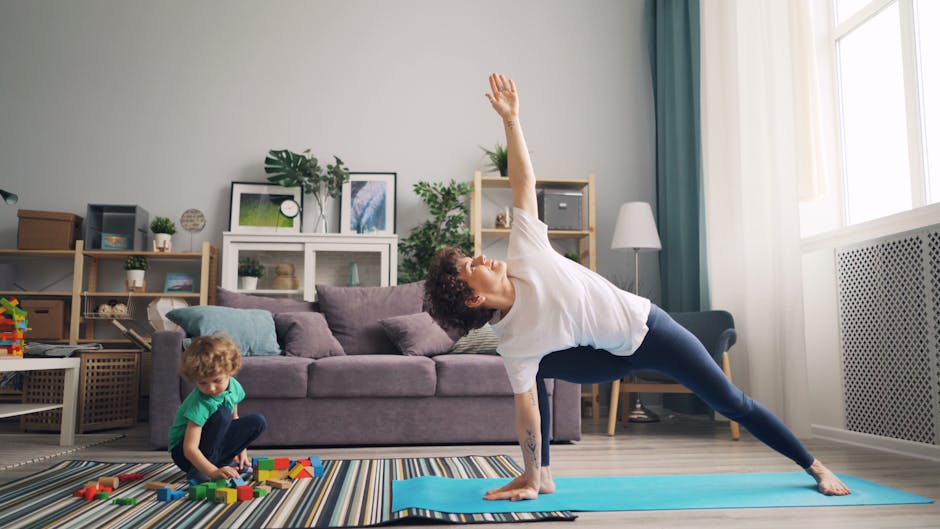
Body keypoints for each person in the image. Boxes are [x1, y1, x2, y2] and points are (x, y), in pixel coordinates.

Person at [424, 72, 851, 501]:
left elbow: (523, 183)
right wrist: (530, 476)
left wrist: (511, 120)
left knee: (729, 401)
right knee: (530, 377)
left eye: (469, 254)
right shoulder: (513, 342)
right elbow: (526, 413)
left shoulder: (525, 251)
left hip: (648, 331)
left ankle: (814, 466)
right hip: (601, 357)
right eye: (467, 266)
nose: (478, 256)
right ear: (473, 297)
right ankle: (544, 476)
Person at [168, 334, 266, 483]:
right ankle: (199, 471)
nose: (211, 388)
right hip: (185, 454)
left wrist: (241, 451)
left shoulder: (234, 387)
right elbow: (190, 448)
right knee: (222, 414)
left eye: (217, 380)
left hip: (212, 446)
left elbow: (235, 420)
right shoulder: (199, 403)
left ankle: (224, 464)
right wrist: (212, 472)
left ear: (231, 370)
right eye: (202, 383)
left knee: (257, 421)